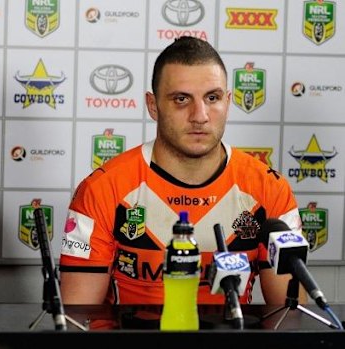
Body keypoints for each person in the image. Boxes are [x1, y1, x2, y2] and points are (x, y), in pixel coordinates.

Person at [59, 36, 305, 307]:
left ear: (228, 102)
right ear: (153, 105)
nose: (199, 115)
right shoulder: (104, 189)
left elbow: (290, 316)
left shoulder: (269, 189)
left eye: (213, 98)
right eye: (181, 99)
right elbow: (77, 320)